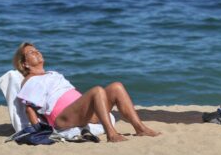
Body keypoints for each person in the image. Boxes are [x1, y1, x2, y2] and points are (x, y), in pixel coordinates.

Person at [13, 42, 160, 142]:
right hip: (62, 118)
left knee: (116, 87)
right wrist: (40, 131)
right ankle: (111, 134)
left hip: (80, 112)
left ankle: (140, 128)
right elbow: (29, 108)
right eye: (31, 52)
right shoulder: (30, 80)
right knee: (97, 90)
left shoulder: (51, 74)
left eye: (36, 49)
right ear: (25, 63)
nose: (37, 52)